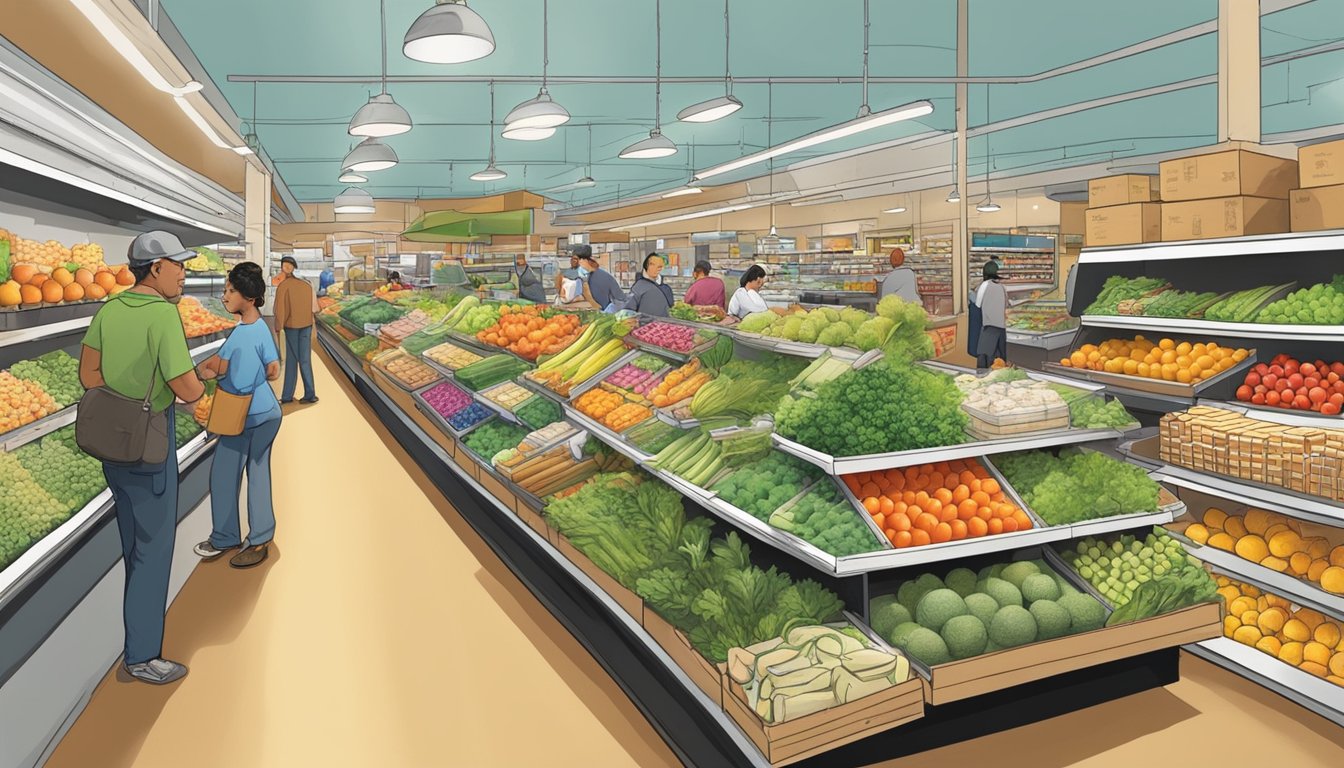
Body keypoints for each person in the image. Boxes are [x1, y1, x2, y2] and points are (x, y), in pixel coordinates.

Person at [78, 231, 205, 685]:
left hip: (113, 446)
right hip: (151, 442)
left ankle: (134, 637)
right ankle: (142, 657)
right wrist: (200, 388)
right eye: (179, 265)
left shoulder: (108, 309)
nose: (183, 274)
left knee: (133, 544)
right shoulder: (163, 315)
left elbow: (88, 374)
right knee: (155, 551)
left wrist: (122, 400)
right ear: (156, 268)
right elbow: (186, 387)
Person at [193, 263, 282, 567]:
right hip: (267, 412)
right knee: (257, 473)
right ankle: (258, 537)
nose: (225, 296)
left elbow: (222, 372)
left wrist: (208, 372)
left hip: (242, 416)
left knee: (224, 474)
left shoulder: (242, 335)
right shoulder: (259, 329)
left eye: (230, 290)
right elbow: (273, 370)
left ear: (248, 296)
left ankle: (231, 537)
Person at [273, 255, 317, 404]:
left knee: (291, 361)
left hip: (291, 327)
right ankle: (310, 394)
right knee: (305, 360)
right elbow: (313, 308)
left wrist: (278, 327)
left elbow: (280, 310)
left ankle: (287, 396)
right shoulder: (306, 285)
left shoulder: (283, 286)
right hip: (306, 326)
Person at [975, 260, 1008, 374]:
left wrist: (970, 293)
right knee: (1000, 362)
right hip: (1001, 329)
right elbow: (1006, 304)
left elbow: (977, 304)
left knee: (985, 363)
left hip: (989, 328)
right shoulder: (1002, 287)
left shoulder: (984, 285)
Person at [576, 247, 626, 312]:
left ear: (584, 260)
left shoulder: (602, 277)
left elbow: (619, 299)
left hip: (605, 314)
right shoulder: (587, 277)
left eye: (579, 261)